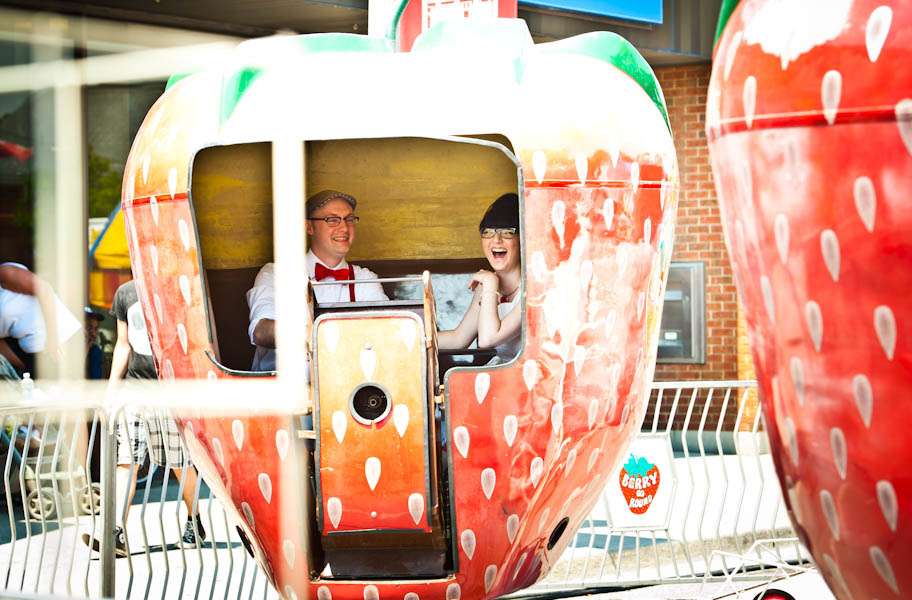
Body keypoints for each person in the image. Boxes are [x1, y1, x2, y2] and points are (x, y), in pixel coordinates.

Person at [83, 279, 205, 557]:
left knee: (180, 463)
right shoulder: (125, 292)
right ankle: (115, 531)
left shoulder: (175, 285)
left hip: (171, 390)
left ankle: (194, 520)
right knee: (127, 460)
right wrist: (111, 391)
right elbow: (123, 345)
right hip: (135, 388)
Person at [246, 189, 388, 371]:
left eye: (349, 219)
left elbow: (385, 328)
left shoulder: (365, 279)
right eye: (332, 219)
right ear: (309, 227)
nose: (345, 228)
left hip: (348, 383)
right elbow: (261, 331)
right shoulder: (276, 274)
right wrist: (322, 335)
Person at [438, 193, 521, 363]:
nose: (496, 240)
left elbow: (488, 340)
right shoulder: (487, 285)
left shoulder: (535, 288)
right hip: (501, 372)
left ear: (523, 238)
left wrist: (490, 284)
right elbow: (458, 339)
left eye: (507, 232)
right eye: (488, 232)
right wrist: (409, 336)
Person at [0, 262, 81, 377]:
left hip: (61, 340)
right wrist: (25, 366)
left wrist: (52, 340)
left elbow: (44, 289)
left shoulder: (4, 273)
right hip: (36, 356)